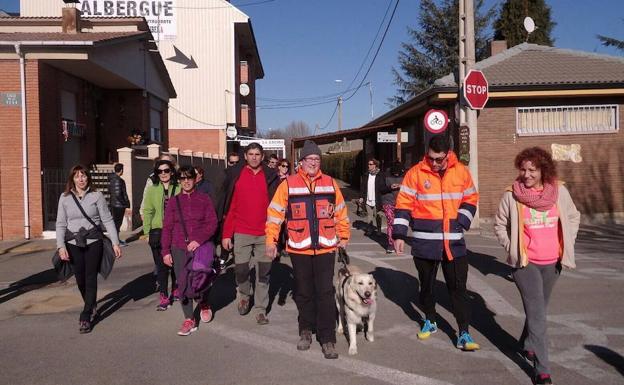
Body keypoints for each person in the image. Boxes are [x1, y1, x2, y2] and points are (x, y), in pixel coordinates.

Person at [494, 147, 580, 385]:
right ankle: (542, 370)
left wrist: (568, 243)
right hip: (525, 264)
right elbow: (499, 224)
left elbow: (573, 217)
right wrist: (511, 246)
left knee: (538, 309)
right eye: (523, 169)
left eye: (533, 169)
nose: (527, 174)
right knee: (538, 314)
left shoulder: (559, 192)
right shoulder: (512, 195)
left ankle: (527, 343)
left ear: (544, 170)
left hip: (553, 262)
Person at [393, 135, 480, 350]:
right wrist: (399, 235)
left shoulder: (461, 172)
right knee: (427, 288)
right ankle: (430, 320)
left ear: (448, 154)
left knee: (458, 289)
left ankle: (464, 333)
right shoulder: (415, 173)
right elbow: (403, 204)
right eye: (431, 158)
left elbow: (471, 198)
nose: (434, 163)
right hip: (424, 243)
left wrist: (461, 221)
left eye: (439, 159)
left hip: (454, 243)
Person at [266, 140, 350, 359]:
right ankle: (305, 331)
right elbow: (275, 214)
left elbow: (341, 212)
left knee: (325, 292)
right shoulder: (288, 184)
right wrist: (270, 241)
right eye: (309, 159)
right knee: (304, 293)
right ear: (301, 162)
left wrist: (344, 236)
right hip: (299, 248)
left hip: (325, 248)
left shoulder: (331, 183)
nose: (313, 162)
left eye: (317, 159)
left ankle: (328, 338)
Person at [56, 165, 122, 333]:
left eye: (84, 176)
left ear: (88, 178)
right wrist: (60, 246)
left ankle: (86, 315)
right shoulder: (64, 198)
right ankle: (90, 303)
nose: (81, 179)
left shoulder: (96, 196)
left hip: (94, 241)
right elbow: (61, 224)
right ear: (72, 179)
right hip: (73, 243)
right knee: (80, 278)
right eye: (78, 176)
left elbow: (107, 220)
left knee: (90, 276)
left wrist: (115, 242)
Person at [219, 143, 279, 325]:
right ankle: (244, 295)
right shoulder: (237, 175)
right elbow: (231, 208)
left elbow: (278, 209)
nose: (254, 157)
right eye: (251, 154)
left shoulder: (269, 177)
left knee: (263, 273)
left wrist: (275, 237)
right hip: (242, 232)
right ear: (245, 156)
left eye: (257, 154)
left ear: (262, 157)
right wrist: (226, 234)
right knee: (241, 270)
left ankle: (261, 309)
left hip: (264, 233)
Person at [162, 165, 218, 336]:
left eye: (189, 177)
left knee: (201, 279)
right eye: (182, 178)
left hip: (201, 247)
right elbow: (167, 227)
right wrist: (165, 251)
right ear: (179, 181)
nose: (186, 181)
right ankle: (189, 318)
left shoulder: (204, 199)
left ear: (195, 179)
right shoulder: (173, 201)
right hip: (178, 247)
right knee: (183, 282)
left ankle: (204, 302)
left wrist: (198, 240)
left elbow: (212, 223)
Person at [143, 159, 181, 311]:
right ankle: (164, 295)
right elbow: (148, 211)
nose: (163, 174)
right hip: (157, 231)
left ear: (171, 171)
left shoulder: (179, 187)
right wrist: (147, 231)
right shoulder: (153, 189)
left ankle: (176, 289)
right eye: (160, 171)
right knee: (161, 266)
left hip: (176, 231)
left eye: (166, 171)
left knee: (176, 263)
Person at [140, 154, 178, 221]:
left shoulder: (179, 179)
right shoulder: (152, 179)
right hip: (157, 219)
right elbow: (146, 198)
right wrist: (143, 214)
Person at [359, 158, 391, 236]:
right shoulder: (366, 175)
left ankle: (379, 230)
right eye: (368, 164)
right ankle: (370, 230)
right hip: (368, 199)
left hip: (377, 199)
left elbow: (383, 187)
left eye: (370, 164)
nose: (368, 166)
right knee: (369, 216)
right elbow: (363, 187)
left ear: (375, 165)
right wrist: (361, 197)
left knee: (378, 215)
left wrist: (390, 188)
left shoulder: (380, 175)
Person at [380, 161, 404, 253]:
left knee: (398, 223)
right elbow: (381, 189)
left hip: (400, 202)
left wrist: (402, 186)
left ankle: (398, 241)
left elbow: (410, 187)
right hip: (388, 201)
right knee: (391, 221)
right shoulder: (385, 175)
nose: (397, 174)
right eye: (395, 173)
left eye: (399, 173)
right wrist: (390, 187)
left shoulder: (405, 175)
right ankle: (391, 244)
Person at [108, 163, 130, 239]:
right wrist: (125, 203)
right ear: (121, 170)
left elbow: (110, 191)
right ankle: (116, 240)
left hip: (114, 204)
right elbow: (118, 194)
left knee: (116, 223)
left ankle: (116, 239)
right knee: (117, 223)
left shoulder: (112, 179)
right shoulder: (118, 180)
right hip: (118, 205)